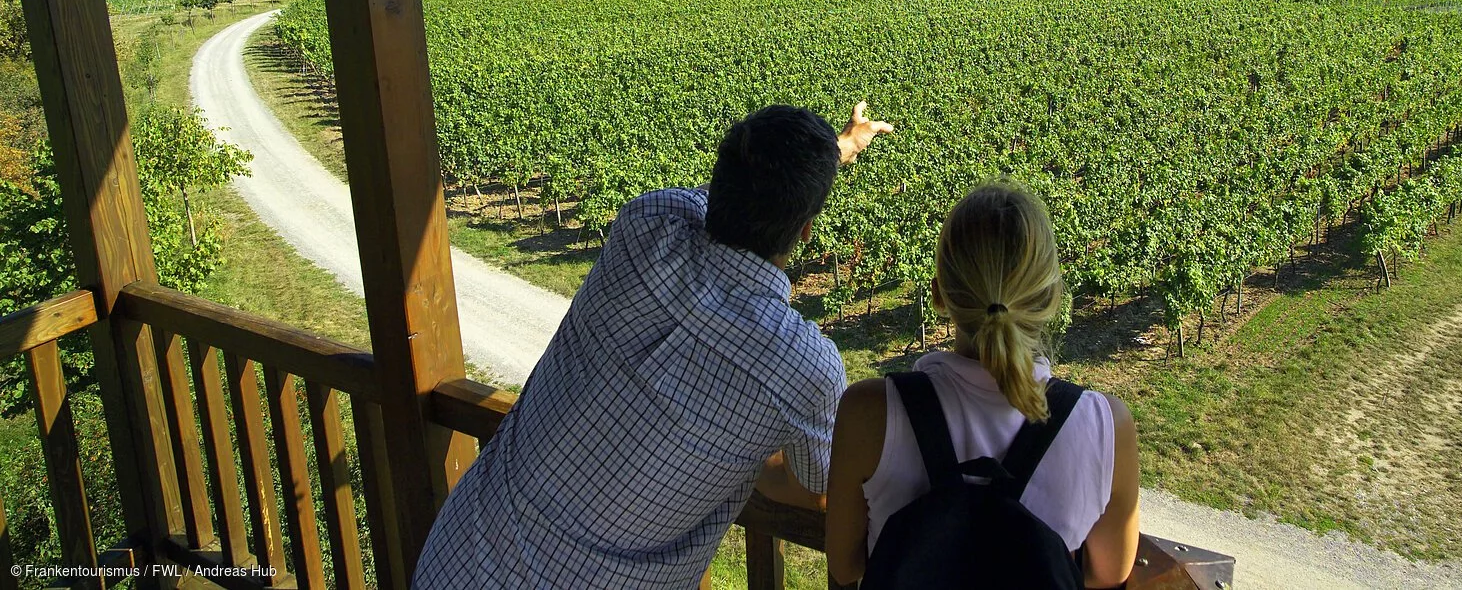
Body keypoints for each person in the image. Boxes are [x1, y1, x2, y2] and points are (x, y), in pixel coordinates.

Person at [412, 102, 893, 590]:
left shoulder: (647, 225)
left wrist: (832, 152)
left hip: (459, 560)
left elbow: (734, 199)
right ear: (806, 230)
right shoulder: (804, 369)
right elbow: (818, 491)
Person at [824, 183, 1140, 589]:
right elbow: (1110, 572)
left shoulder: (869, 411)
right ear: (1051, 296)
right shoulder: (1106, 425)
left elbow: (846, 566)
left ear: (939, 294)